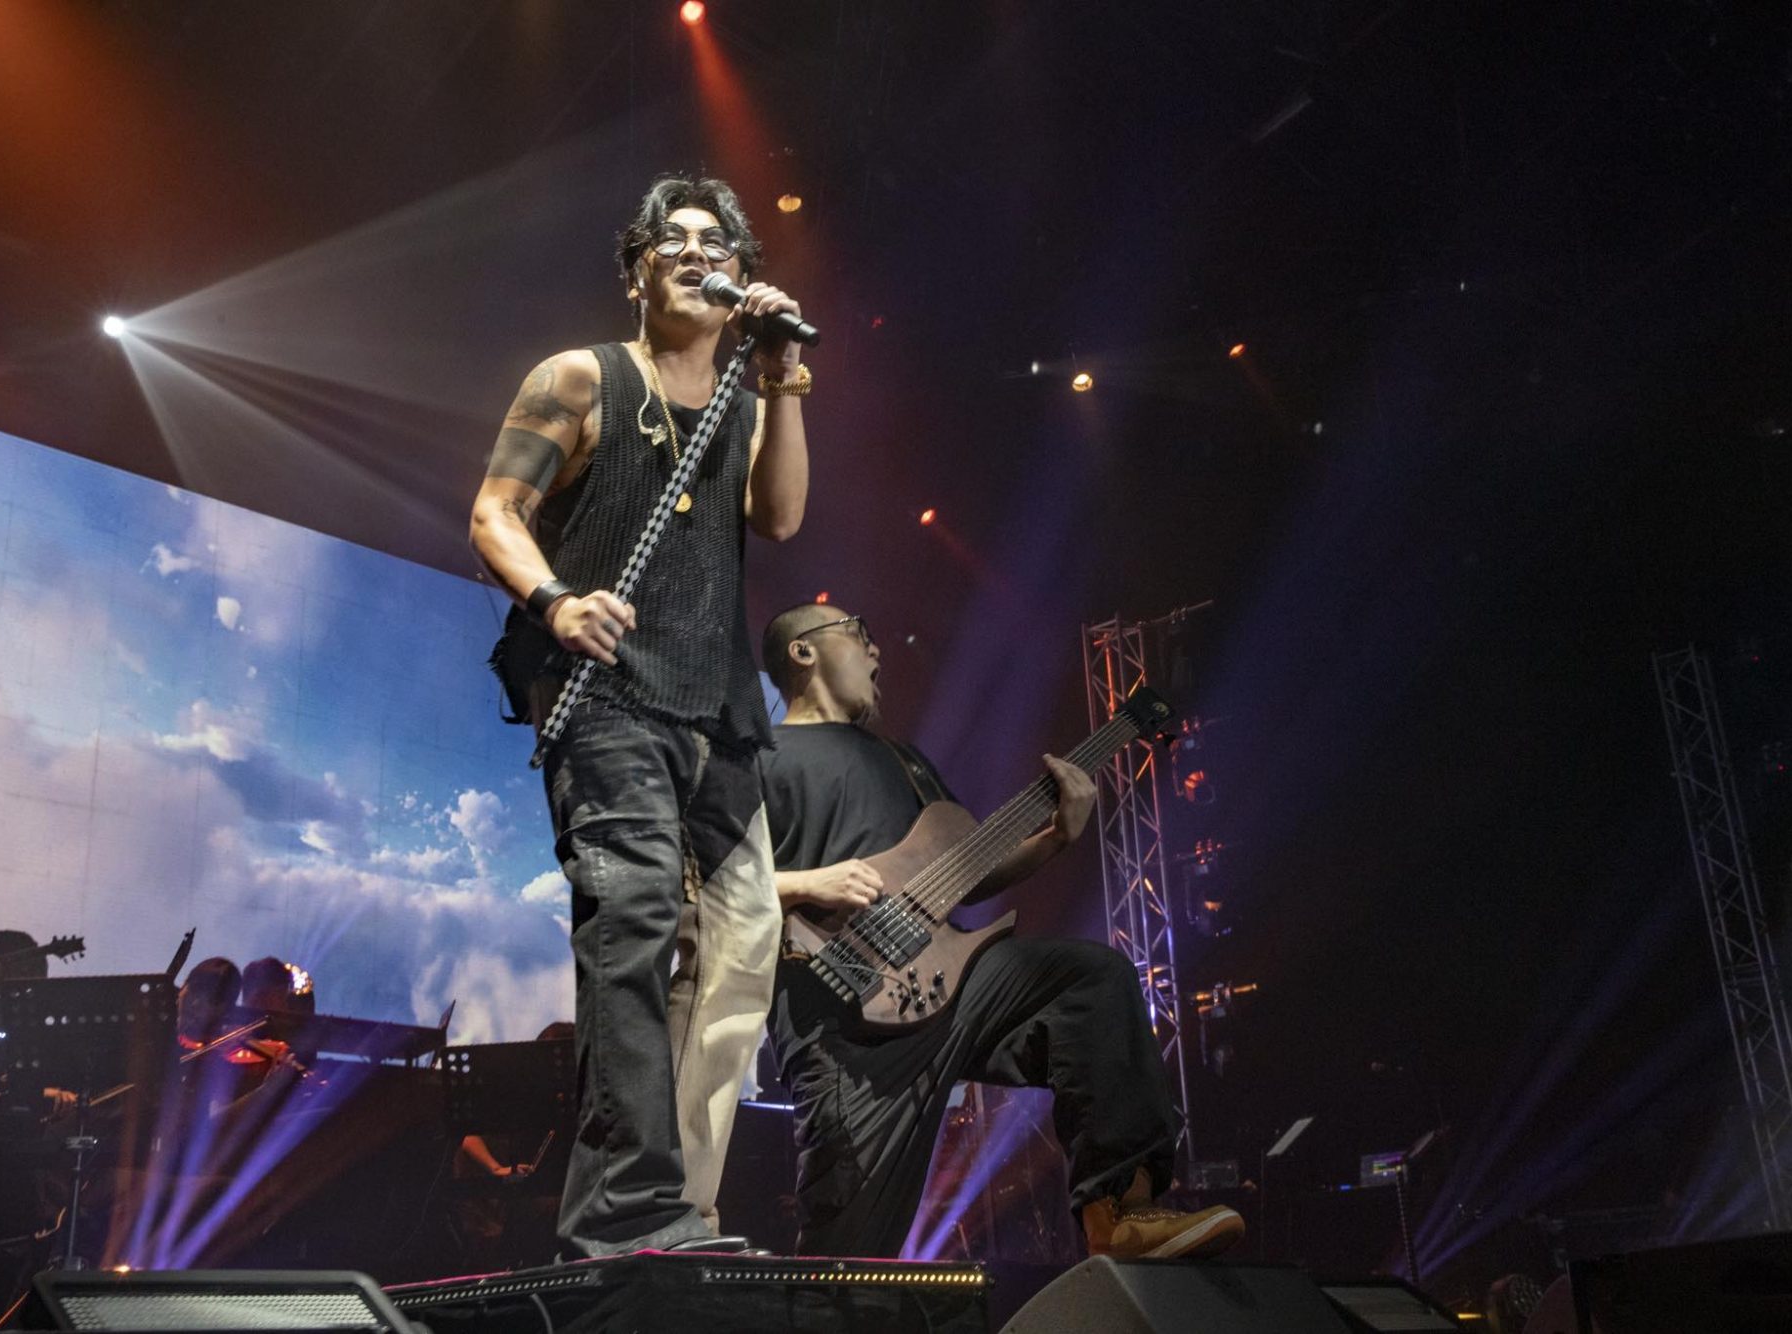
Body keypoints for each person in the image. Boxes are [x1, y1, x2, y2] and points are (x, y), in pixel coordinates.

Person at [468, 175, 810, 1257]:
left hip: (718, 711)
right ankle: (625, 1210)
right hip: (609, 698)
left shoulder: (748, 402)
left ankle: (681, 1207)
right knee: (634, 926)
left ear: (742, 278)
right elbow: (494, 511)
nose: (697, 253)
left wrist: (782, 372)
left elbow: (781, 516)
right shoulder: (580, 377)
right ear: (637, 274)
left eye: (719, 244)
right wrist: (555, 601)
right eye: (674, 240)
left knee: (744, 946)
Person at [756, 603, 1246, 1260]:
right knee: (846, 1256)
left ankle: (1120, 1209)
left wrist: (1055, 837)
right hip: (837, 1022)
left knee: (1090, 980)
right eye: (859, 635)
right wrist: (809, 883)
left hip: (949, 984)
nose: (876, 652)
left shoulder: (903, 760)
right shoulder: (758, 759)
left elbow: (960, 874)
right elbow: (698, 886)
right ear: (803, 651)